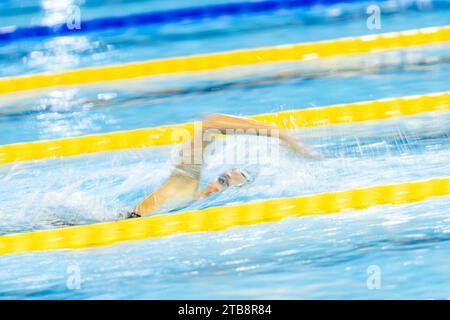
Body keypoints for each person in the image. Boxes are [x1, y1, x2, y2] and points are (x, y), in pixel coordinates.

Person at [127, 113, 321, 218]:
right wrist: (280, 134)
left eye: (226, 185)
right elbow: (210, 125)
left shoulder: (192, 204)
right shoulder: (183, 188)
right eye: (222, 179)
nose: (218, 185)